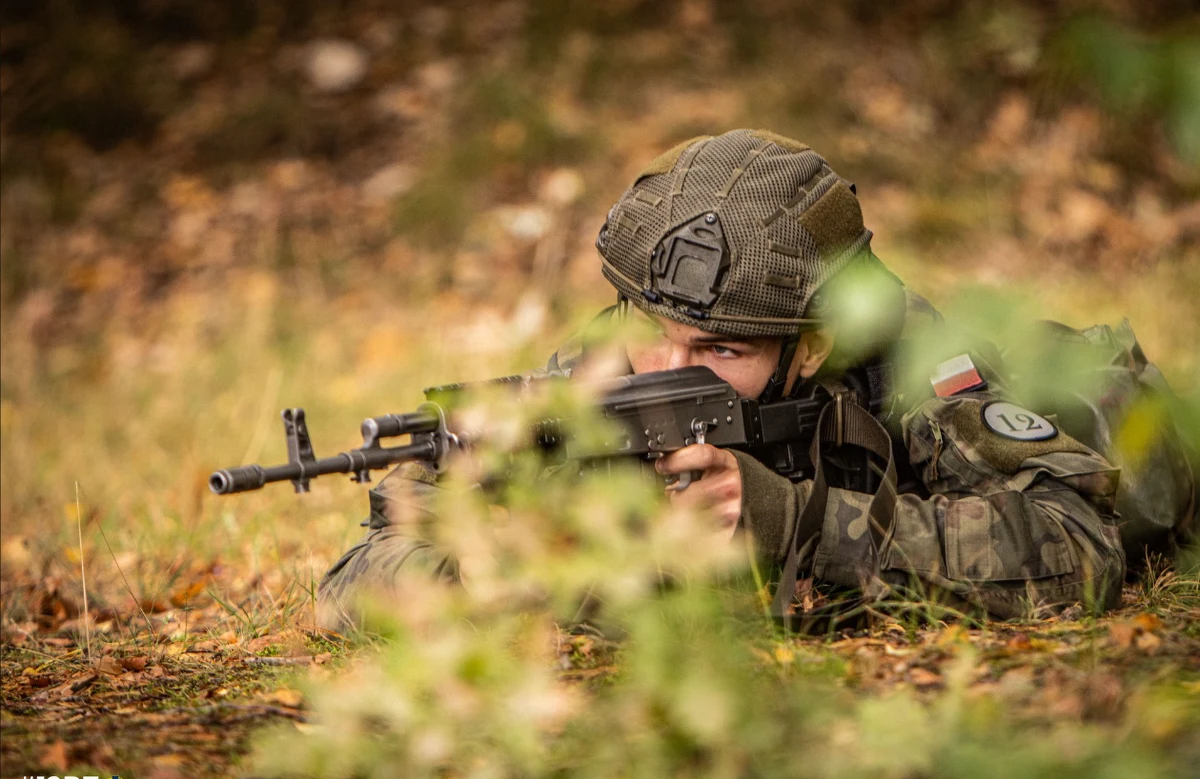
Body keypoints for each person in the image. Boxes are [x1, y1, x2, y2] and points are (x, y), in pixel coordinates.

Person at [317, 129, 1132, 631]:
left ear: (810, 347)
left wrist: (792, 520)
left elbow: (1081, 547)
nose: (667, 374)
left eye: (719, 351)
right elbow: (353, 584)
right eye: (653, 337)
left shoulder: (904, 362)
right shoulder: (603, 368)